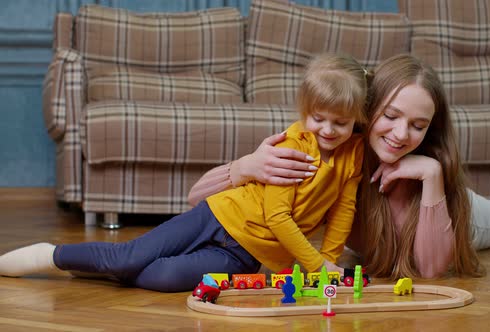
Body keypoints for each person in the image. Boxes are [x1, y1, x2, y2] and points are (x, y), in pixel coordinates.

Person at [0, 53, 369, 291]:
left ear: (357, 119)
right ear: (306, 110)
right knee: (128, 257)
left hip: (244, 256)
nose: (328, 130)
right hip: (216, 216)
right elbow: (276, 216)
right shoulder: (292, 146)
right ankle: (52, 255)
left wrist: (329, 265)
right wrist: (314, 262)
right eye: (318, 118)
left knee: (158, 277)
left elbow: (342, 211)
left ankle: (101, 266)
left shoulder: (353, 154)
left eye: (340, 122)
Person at [187, 54, 490, 280]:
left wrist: (434, 178)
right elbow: (195, 200)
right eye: (390, 115)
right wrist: (243, 167)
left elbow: (432, 268)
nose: (401, 134)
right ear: (365, 111)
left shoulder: (427, 176)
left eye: (418, 126)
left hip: (452, 216)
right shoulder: (330, 151)